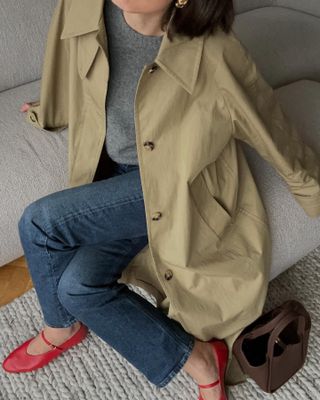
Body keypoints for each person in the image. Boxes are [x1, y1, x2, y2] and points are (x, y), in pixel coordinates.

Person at [2, 1, 235, 399]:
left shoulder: (204, 40)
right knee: (77, 287)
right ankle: (196, 355)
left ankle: (60, 328)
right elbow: (70, 60)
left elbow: (259, 114)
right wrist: (52, 107)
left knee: (40, 222)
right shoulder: (91, 6)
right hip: (114, 170)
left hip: (169, 182)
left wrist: (307, 186)